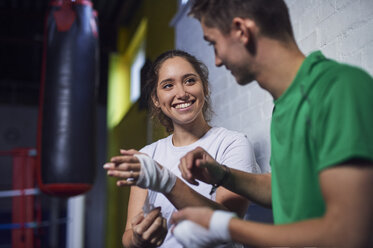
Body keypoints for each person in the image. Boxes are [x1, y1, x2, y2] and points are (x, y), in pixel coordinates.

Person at [170, 0, 373, 247]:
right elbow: (281, 189)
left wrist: (223, 226)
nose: (217, 61)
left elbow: (348, 235)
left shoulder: (338, 89)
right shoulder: (285, 105)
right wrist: (221, 174)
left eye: (214, 44)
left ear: (242, 31)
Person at [103, 50, 260, 247]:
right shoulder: (148, 155)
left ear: (205, 87)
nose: (181, 93)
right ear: (156, 100)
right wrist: (139, 238)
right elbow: (128, 236)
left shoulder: (232, 143)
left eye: (190, 81)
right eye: (168, 85)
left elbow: (230, 222)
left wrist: (166, 181)